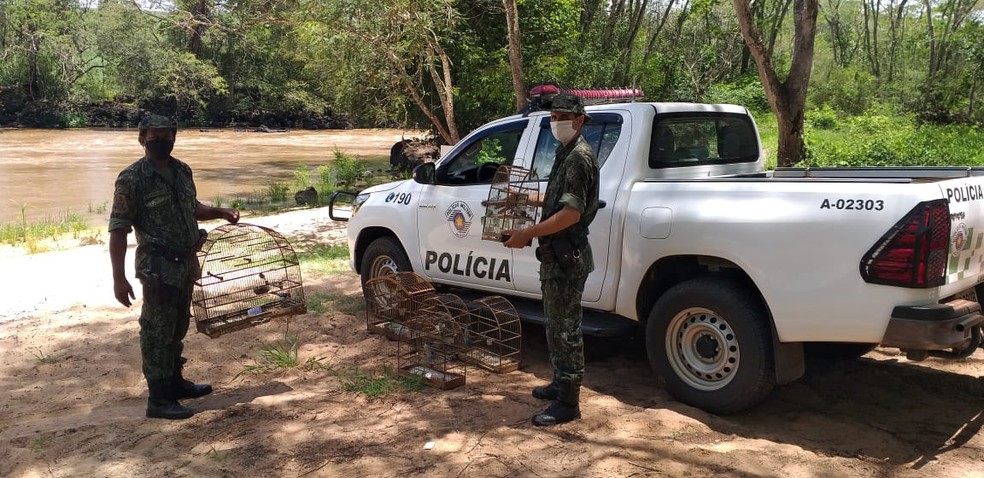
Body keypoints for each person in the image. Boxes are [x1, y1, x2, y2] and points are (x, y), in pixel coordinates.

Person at [109, 113, 240, 420]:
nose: (162, 142)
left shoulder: (182, 170)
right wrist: (119, 279)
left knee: (177, 326)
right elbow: (118, 230)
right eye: (155, 138)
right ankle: (158, 399)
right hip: (157, 267)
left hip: (186, 264)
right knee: (156, 331)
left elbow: (191, 207)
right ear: (142, 139)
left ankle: (175, 382)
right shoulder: (131, 179)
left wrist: (221, 211)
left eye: (167, 137)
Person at [502, 94, 600, 426]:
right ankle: (560, 383)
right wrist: (528, 198)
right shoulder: (566, 152)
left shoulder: (579, 158)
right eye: (554, 115)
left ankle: (568, 403)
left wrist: (527, 233)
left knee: (566, 329)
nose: (556, 121)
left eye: (563, 115)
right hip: (556, 256)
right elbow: (559, 200)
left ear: (580, 120)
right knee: (555, 324)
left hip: (566, 256)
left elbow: (571, 213)